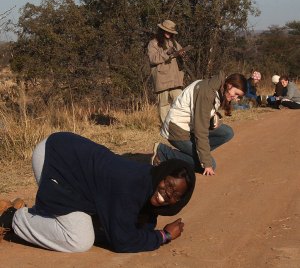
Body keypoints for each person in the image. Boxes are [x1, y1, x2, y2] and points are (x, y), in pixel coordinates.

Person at [0, 132, 195, 253]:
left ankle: (38, 216)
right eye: (168, 184)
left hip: (69, 157)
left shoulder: (147, 184)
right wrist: (163, 236)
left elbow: (136, 227)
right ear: (161, 174)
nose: (168, 194)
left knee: (93, 225)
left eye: (176, 195)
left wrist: (144, 231)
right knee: (79, 240)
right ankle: (13, 218)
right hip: (55, 159)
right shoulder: (133, 185)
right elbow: (123, 241)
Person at [151, 70, 247, 175]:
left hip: (189, 128)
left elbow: (204, 112)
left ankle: (195, 153)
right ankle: (163, 153)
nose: (236, 98)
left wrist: (216, 117)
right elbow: (201, 130)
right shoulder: (207, 92)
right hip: (177, 130)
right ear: (229, 85)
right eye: (236, 94)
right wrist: (206, 162)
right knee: (211, 164)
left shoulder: (217, 86)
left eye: (238, 96)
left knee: (227, 132)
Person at [148, 19, 185, 123]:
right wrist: (166, 53)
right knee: (163, 104)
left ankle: (179, 123)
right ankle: (166, 126)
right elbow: (152, 59)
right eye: (167, 31)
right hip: (162, 78)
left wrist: (182, 54)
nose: (169, 33)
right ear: (161, 30)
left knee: (180, 100)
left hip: (175, 78)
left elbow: (180, 53)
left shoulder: (174, 42)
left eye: (171, 32)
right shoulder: (153, 43)